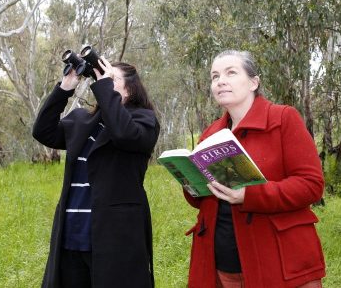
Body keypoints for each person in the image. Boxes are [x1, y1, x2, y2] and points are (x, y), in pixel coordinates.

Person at [184, 50, 325, 288]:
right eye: (215, 76)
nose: (220, 81)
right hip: (221, 263)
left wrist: (250, 195)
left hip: (277, 261)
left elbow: (311, 185)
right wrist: (190, 182)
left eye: (231, 73)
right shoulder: (210, 134)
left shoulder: (283, 119)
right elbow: (202, 201)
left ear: (253, 82)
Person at [32, 55, 160, 288]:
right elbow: (43, 131)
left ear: (130, 90)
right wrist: (66, 86)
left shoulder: (143, 121)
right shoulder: (82, 120)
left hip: (115, 239)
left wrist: (104, 85)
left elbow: (122, 133)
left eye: (112, 79)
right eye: (103, 78)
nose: (104, 82)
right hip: (72, 235)